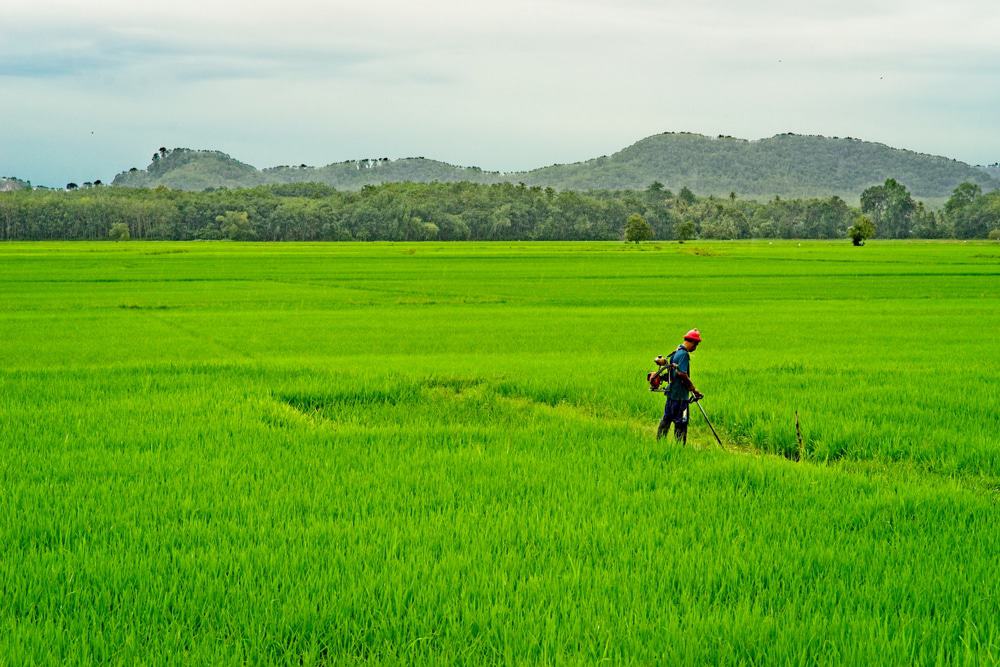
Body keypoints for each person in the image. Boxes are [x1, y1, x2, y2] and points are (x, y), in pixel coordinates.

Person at [656, 329, 704, 443]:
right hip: (681, 398)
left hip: (671, 395)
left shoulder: (676, 352)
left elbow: (671, 372)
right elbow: (681, 374)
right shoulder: (684, 354)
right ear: (691, 342)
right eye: (696, 344)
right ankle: (679, 449)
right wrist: (693, 389)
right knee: (681, 423)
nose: (695, 347)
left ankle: (659, 443)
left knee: (666, 420)